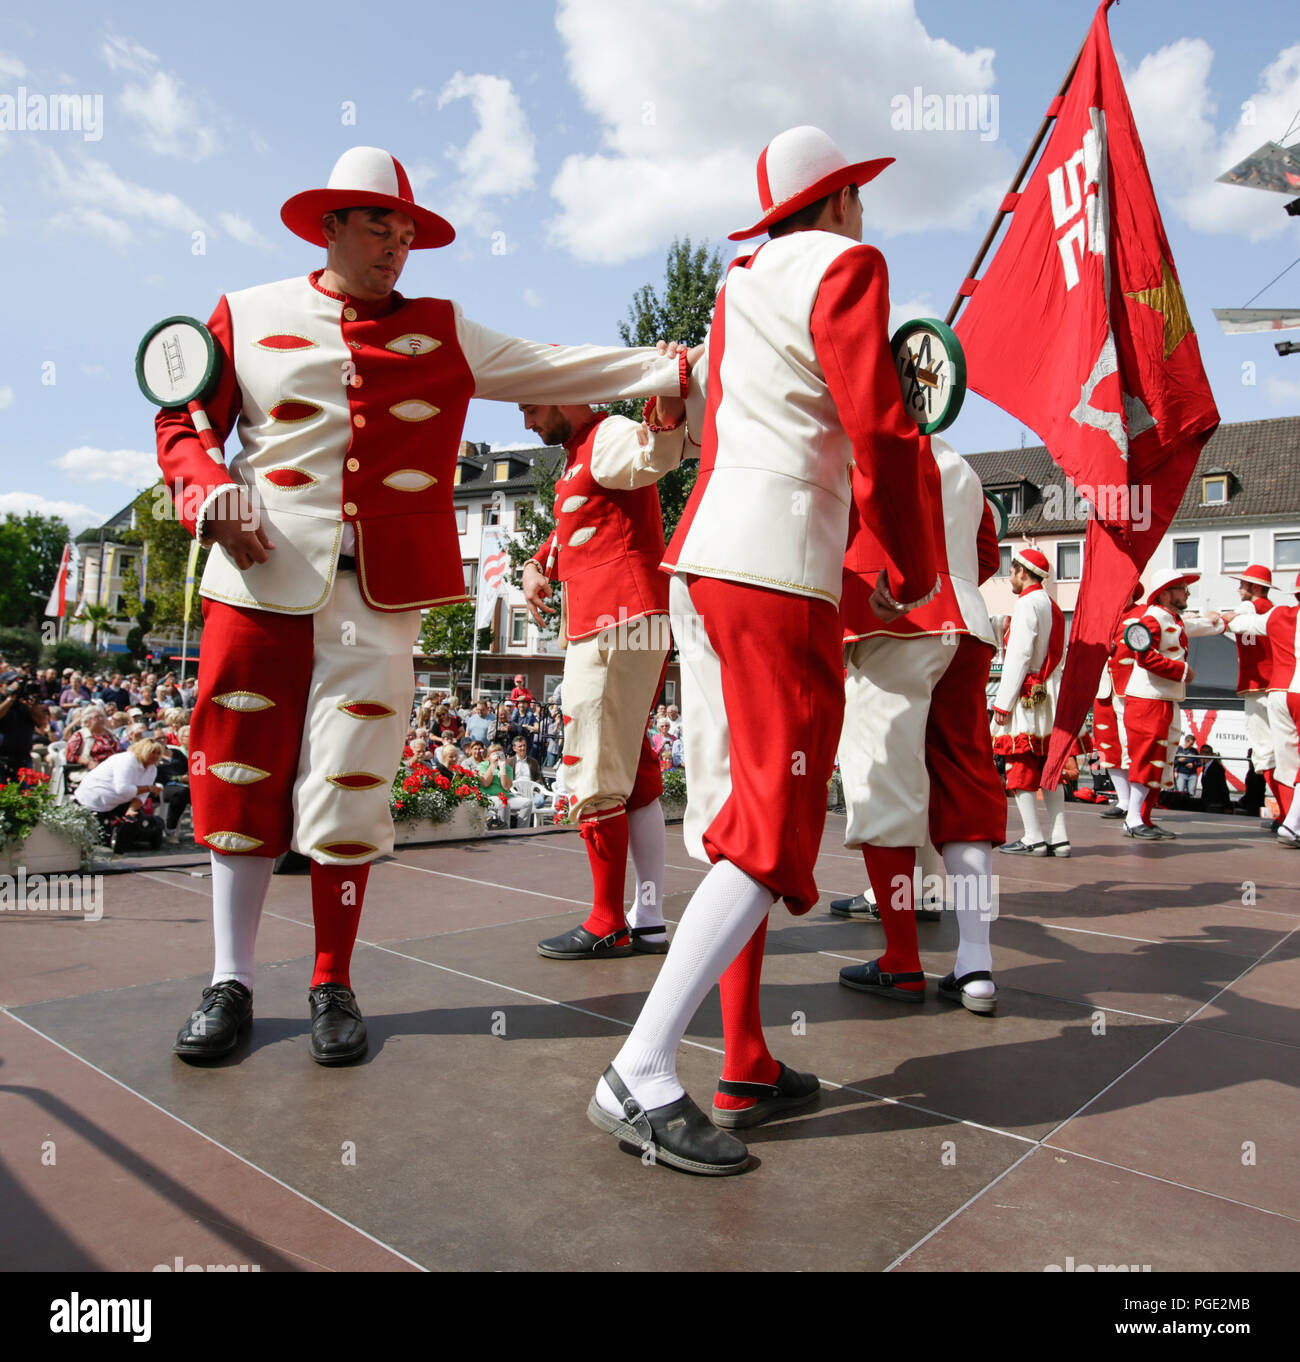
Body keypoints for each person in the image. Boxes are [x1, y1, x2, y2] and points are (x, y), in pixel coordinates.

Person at [154, 144, 691, 1066]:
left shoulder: (445, 328)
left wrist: (682, 363)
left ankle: (333, 980)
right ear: (330, 226)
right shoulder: (245, 313)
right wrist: (208, 492)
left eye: (407, 233)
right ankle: (229, 979)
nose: (397, 247)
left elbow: (554, 361)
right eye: (379, 227)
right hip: (256, 580)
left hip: (379, 593)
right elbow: (182, 424)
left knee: (352, 779)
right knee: (237, 771)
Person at [587, 126, 938, 1175]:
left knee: (741, 809)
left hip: (709, 560)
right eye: (857, 196)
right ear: (836, 203)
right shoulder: (849, 265)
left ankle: (741, 1056)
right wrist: (909, 563)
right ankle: (641, 1070)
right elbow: (878, 433)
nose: (864, 214)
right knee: (773, 823)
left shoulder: (737, 285)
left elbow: (782, 419)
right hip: (777, 569)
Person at [836, 437, 1007, 1013]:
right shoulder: (964, 465)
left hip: (893, 621)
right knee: (967, 786)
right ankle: (975, 964)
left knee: (880, 780)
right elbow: (986, 557)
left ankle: (901, 960)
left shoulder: (863, 448)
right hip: (967, 625)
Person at [520, 388, 686, 960]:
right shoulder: (583, 450)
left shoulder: (608, 433)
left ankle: (607, 919)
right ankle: (648, 917)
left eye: (532, 406)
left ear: (565, 397)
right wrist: (535, 564)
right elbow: (578, 515)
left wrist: (664, 411)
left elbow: (653, 457)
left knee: (592, 765)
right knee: (630, 768)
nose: (526, 417)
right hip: (629, 618)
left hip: (614, 623)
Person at [1120, 569, 1223, 841]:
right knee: (1148, 757)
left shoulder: (1170, 618)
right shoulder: (1152, 618)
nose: (1187, 592)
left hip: (1162, 699)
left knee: (1161, 759)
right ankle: (1133, 818)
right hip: (1148, 699)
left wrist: (1222, 621)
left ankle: (1143, 817)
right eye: (1181, 587)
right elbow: (1144, 656)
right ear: (1165, 593)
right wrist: (1180, 670)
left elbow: (1194, 626)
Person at [991, 548, 1068, 856]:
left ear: (1022, 571)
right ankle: (1059, 836)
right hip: (1050, 689)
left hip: (1027, 691)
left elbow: (1020, 655)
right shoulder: (1051, 603)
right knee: (1050, 764)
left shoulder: (1025, 603)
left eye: (1011, 572)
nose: (1010, 578)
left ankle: (1033, 836)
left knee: (1019, 762)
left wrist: (1002, 703)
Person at [1223, 585, 1300, 845]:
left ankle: (1290, 820)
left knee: (1285, 762)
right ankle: (1291, 824)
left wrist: (1216, 618)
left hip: (1278, 691)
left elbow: (1239, 624)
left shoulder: (1278, 615)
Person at [1224, 565, 1284, 814]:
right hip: (1276, 685)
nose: (1239, 588)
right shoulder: (1272, 612)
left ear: (1256, 588)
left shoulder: (1250, 609)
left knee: (1264, 752)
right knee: (1281, 751)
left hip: (1259, 687)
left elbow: (1230, 620)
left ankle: (1286, 814)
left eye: (1243, 584)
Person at [1093, 583, 1145, 819]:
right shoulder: (1103, 616)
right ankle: (1123, 800)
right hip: (1105, 688)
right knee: (1108, 745)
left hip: (1129, 688)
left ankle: (1136, 803)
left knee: (1131, 745)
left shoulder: (1142, 614)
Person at [73, 739, 169, 852]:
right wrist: (149, 788)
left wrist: (131, 810)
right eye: (152, 752)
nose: (155, 756)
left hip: (120, 799)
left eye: (158, 753)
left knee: (134, 820)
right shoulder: (127, 761)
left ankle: (119, 852)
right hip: (96, 796)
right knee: (100, 837)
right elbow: (122, 789)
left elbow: (142, 796)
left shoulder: (152, 769)